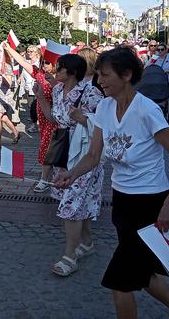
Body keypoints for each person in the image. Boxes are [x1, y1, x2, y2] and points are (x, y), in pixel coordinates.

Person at [54, 47, 169, 319]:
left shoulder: (146, 110)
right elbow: (94, 156)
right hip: (122, 202)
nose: (100, 81)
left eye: (106, 75)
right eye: (98, 75)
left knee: (119, 282)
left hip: (151, 204)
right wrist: (70, 175)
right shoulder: (105, 108)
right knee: (141, 273)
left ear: (127, 75)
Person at [34, 53, 104, 277]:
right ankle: (87, 242)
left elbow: (103, 126)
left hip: (84, 153)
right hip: (63, 148)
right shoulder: (56, 90)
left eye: (60, 68)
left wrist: (83, 118)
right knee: (73, 199)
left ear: (72, 72)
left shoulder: (91, 93)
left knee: (71, 202)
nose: (56, 71)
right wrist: (41, 99)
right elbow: (54, 119)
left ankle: (70, 255)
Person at [4, 42, 57, 192]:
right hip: (43, 118)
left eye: (48, 62)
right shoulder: (39, 73)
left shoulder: (59, 79)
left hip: (54, 118)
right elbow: (22, 62)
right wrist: (9, 49)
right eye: (43, 62)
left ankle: (44, 180)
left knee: (47, 148)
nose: (44, 65)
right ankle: (50, 177)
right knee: (48, 148)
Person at [0, 44, 20, 150]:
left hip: (5, 95)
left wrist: (3, 74)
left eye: (0, 53)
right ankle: (16, 133)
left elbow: (10, 83)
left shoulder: (8, 66)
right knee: (4, 118)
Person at [23, 45, 41, 133]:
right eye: (28, 51)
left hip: (38, 88)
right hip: (29, 88)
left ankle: (38, 124)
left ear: (36, 53)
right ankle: (34, 124)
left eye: (31, 51)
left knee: (37, 107)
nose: (29, 53)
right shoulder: (27, 62)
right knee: (31, 107)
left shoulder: (39, 63)